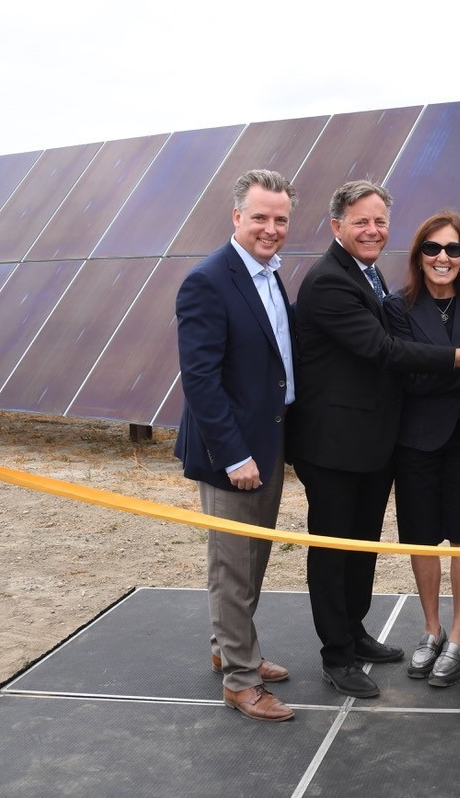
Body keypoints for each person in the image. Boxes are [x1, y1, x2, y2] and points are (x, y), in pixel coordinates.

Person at [287, 180, 460, 700]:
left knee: (361, 545)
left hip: (373, 442)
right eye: (360, 221)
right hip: (334, 442)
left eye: (379, 221)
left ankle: (356, 633)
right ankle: (336, 655)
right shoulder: (330, 282)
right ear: (336, 224)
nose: (372, 230)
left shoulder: (365, 275)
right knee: (335, 547)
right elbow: (383, 350)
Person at [174, 169, 299, 723]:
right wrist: (234, 456)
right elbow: (200, 380)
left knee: (250, 561)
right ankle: (241, 682)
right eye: (260, 218)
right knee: (232, 566)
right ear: (236, 218)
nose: (270, 229)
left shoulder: (271, 276)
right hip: (234, 456)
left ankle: (231, 648)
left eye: (280, 219)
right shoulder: (208, 281)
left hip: (266, 447)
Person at [384, 212, 460, 689]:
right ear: (418, 256)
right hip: (417, 437)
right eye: (432, 249)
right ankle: (430, 630)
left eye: (453, 250)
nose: (443, 258)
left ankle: (458, 636)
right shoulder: (396, 307)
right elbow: (405, 369)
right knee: (422, 537)